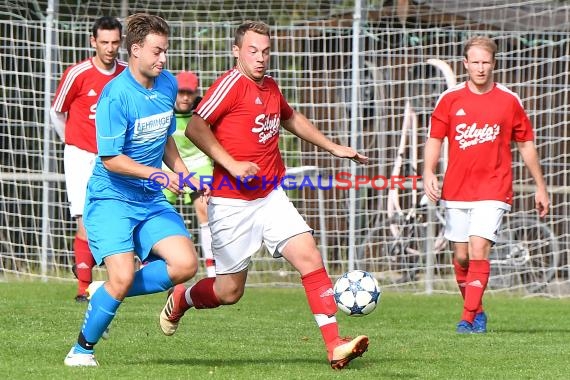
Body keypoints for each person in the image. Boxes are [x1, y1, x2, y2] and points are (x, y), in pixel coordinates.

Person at [158, 21, 370, 370]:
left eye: (265, 51)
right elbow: (196, 126)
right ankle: (183, 298)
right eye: (252, 51)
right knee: (229, 292)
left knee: (309, 256)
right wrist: (231, 163)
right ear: (236, 51)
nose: (260, 58)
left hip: (270, 195)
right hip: (231, 203)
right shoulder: (229, 85)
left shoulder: (270, 86)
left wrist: (334, 147)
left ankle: (335, 344)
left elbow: (290, 117)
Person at [64, 13, 208, 367]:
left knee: (185, 264)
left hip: (149, 199)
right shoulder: (116, 96)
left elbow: (165, 138)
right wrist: (160, 177)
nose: (163, 59)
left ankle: (108, 290)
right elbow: (111, 159)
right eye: (157, 52)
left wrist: (182, 170)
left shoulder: (168, 85)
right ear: (136, 50)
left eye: (166, 52)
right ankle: (81, 351)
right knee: (123, 274)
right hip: (112, 196)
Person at [423, 36, 550, 334]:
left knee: (479, 249)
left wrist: (540, 186)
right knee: (462, 257)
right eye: (475, 62)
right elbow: (434, 139)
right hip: (456, 189)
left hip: (494, 188)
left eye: (486, 62)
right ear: (465, 64)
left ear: (494, 64)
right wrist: (428, 171)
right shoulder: (450, 99)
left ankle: (468, 319)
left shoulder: (509, 101)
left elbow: (526, 144)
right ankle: (477, 309)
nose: (480, 68)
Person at [50, 16, 127, 302]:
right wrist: (72, 141)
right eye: (104, 42)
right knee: (83, 217)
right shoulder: (77, 73)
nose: (110, 48)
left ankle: (104, 272)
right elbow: (57, 112)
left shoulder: (126, 74)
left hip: (115, 157)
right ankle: (83, 288)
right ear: (93, 42)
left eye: (115, 42)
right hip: (81, 154)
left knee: (114, 216)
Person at [162, 70, 216, 278]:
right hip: (168, 165)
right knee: (157, 212)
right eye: (181, 92)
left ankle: (212, 271)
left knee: (205, 211)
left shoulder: (203, 109)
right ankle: (154, 263)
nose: (185, 97)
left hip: (198, 163)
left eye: (189, 93)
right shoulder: (163, 107)